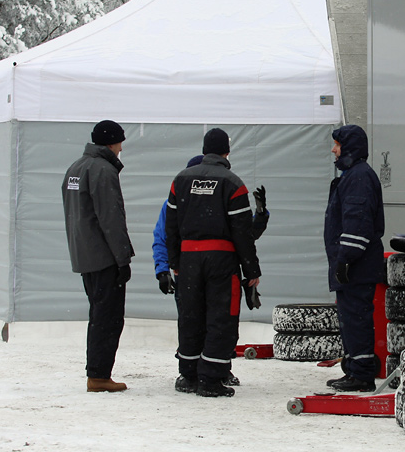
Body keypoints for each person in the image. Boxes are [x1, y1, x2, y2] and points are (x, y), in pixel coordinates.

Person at [152, 153, 269, 388]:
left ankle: (212, 370)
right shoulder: (177, 204)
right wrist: (163, 269)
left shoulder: (199, 200)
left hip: (189, 269)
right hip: (198, 269)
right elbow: (162, 237)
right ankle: (201, 373)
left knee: (200, 320)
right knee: (211, 320)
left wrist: (260, 216)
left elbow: (243, 235)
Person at [61, 119, 135, 393]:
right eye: (120, 143)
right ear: (112, 142)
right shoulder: (103, 170)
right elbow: (111, 219)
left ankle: (97, 371)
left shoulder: (75, 168)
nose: (121, 149)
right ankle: (99, 375)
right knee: (109, 317)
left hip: (84, 254)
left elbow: (75, 214)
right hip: (105, 256)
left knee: (98, 314)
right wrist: (123, 258)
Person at [324, 124, 385, 392]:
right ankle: (353, 369)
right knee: (349, 319)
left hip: (357, 266)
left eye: (337, 145)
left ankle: (361, 374)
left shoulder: (359, 177)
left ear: (348, 147)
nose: (333, 150)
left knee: (356, 318)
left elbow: (357, 223)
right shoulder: (353, 176)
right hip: (353, 264)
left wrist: (345, 260)